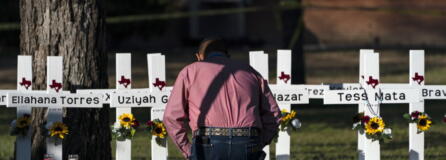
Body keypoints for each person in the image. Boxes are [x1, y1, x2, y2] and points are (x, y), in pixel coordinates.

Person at [163, 38, 281, 160]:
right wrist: (259, 142)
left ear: (199, 56)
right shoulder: (250, 72)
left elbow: (171, 116)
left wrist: (187, 149)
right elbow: (274, 114)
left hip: (206, 141)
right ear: (227, 55)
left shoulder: (190, 71)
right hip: (247, 138)